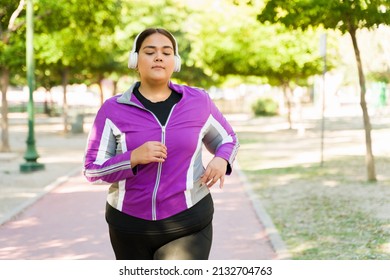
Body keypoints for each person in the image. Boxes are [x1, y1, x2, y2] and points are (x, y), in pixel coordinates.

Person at [83, 27, 239, 260]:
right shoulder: (113, 109)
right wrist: (132, 157)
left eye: (166, 52)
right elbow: (92, 169)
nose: (158, 57)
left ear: (174, 62)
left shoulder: (198, 101)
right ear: (135, 60)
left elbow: (229, 139)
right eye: (150, 52)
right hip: (129, 225)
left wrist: (221, 158)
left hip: (189, 219)